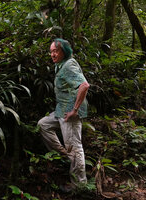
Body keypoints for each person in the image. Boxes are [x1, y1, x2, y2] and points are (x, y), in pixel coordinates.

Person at [37, 38, 90, 192]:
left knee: (75, 148)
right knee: (43, 125)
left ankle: (79, 186)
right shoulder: (60, 66)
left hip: (69, 114)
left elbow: (84, 85)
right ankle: (64, 155)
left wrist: (75, 110)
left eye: (56, 51)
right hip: (61, 110)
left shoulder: (68, 65)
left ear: (64, 51)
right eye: (51, 51)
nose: (52, 54)